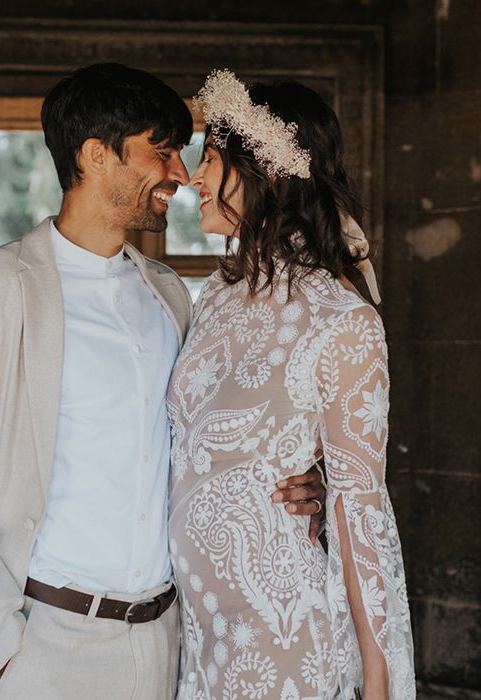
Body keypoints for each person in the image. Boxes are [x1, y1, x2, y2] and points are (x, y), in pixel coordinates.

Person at [0, 63, 324, 700]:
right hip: (39, 648)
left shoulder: (172, 297)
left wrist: (302, 477)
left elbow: (210, 441)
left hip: (164, 646)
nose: (180, 175)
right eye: (162, 151)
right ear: (96, 155)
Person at [167, 70, 415, 700]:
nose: (193, 178)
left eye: (211, 159)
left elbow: (361, 512)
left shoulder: (343, 320)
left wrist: (379, 686)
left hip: (285, 638)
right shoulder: (215, 298)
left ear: (269, 173)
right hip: (196, 639)